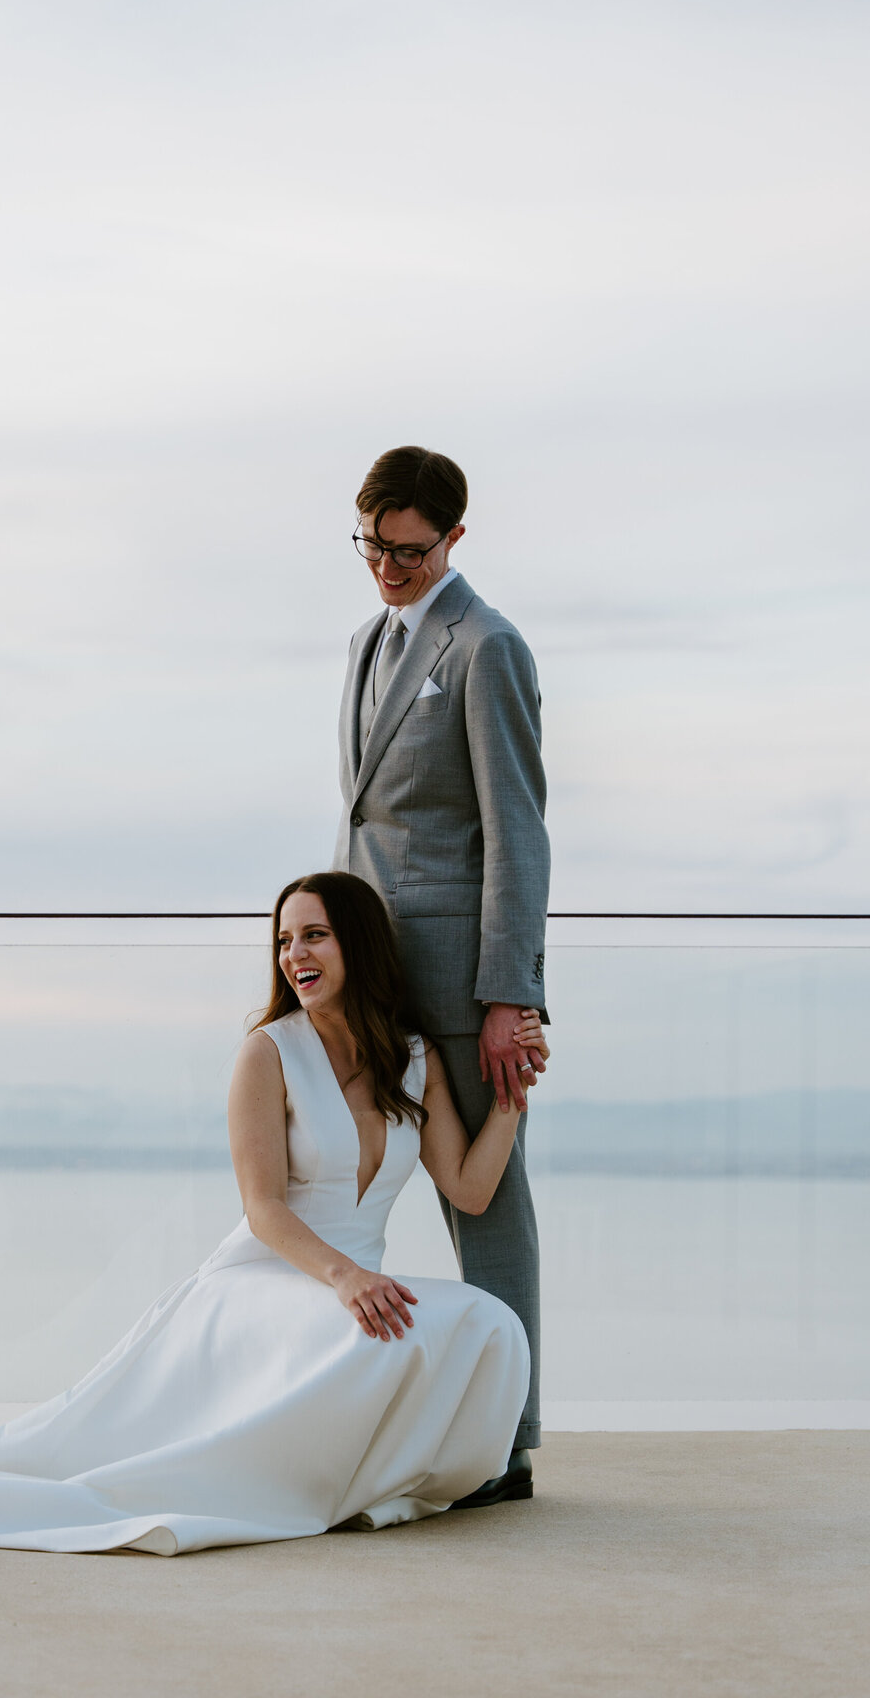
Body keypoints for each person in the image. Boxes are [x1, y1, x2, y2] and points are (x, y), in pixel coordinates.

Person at [0, 873, 548, 1556]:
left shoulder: (413, 1059)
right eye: (285, 939)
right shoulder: (267, 1053)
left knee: (490, 1323)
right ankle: (320, 1484)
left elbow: (468, 1190)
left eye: (315, 934)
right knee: (368, 1332)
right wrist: (344, 1277)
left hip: (350, 1279)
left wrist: (510, 1097)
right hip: (270, 1278)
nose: (295, 953)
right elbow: (262, 1210)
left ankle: (400, 1481)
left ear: (359, 944)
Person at [335, 445, 551, 1503]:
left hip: (465, 979)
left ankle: (507, 1443)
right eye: (374, 545)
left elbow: (517, 833)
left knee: (487, 1206)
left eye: (411, 553)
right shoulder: (369, 641)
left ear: (455, 539)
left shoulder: (489, 647)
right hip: (372, 972)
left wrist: (511, 995)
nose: (389, 568)